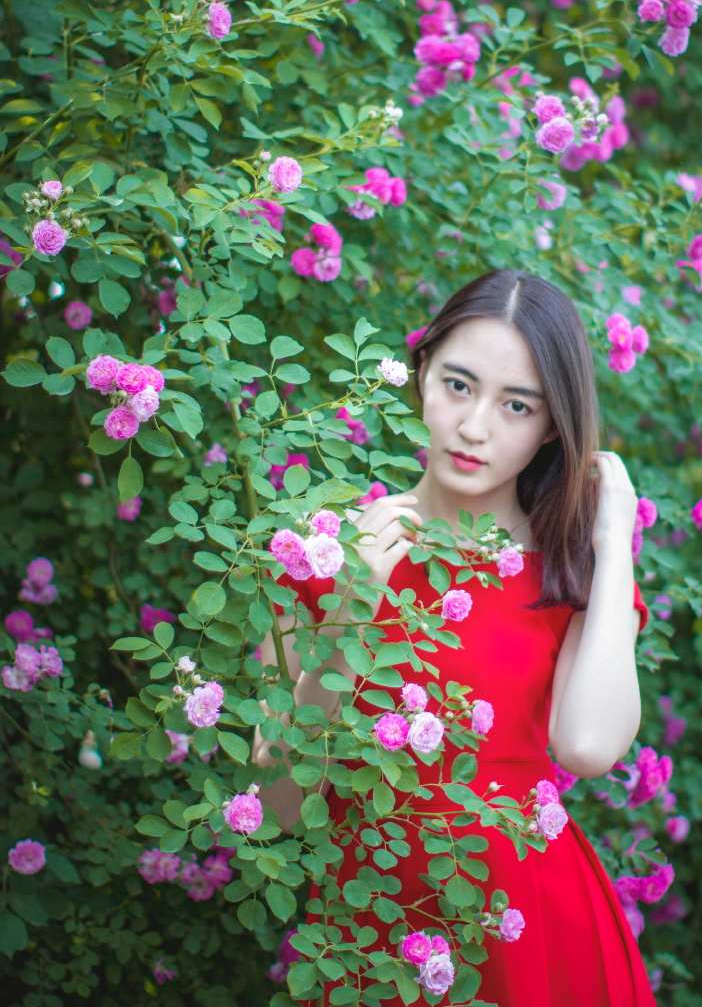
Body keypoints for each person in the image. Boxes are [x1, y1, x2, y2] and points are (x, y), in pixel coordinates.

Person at [253, 269, 657, 1006]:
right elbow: (276, 804)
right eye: (459, 385)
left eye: (516, 405)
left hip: (527, 926)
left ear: (551, 427)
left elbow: (587, 747)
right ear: (421, 374)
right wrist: (350, 612)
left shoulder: (572, 571)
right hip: (369, 927)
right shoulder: (326, 552)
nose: (475, 428)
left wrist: (614, 539)